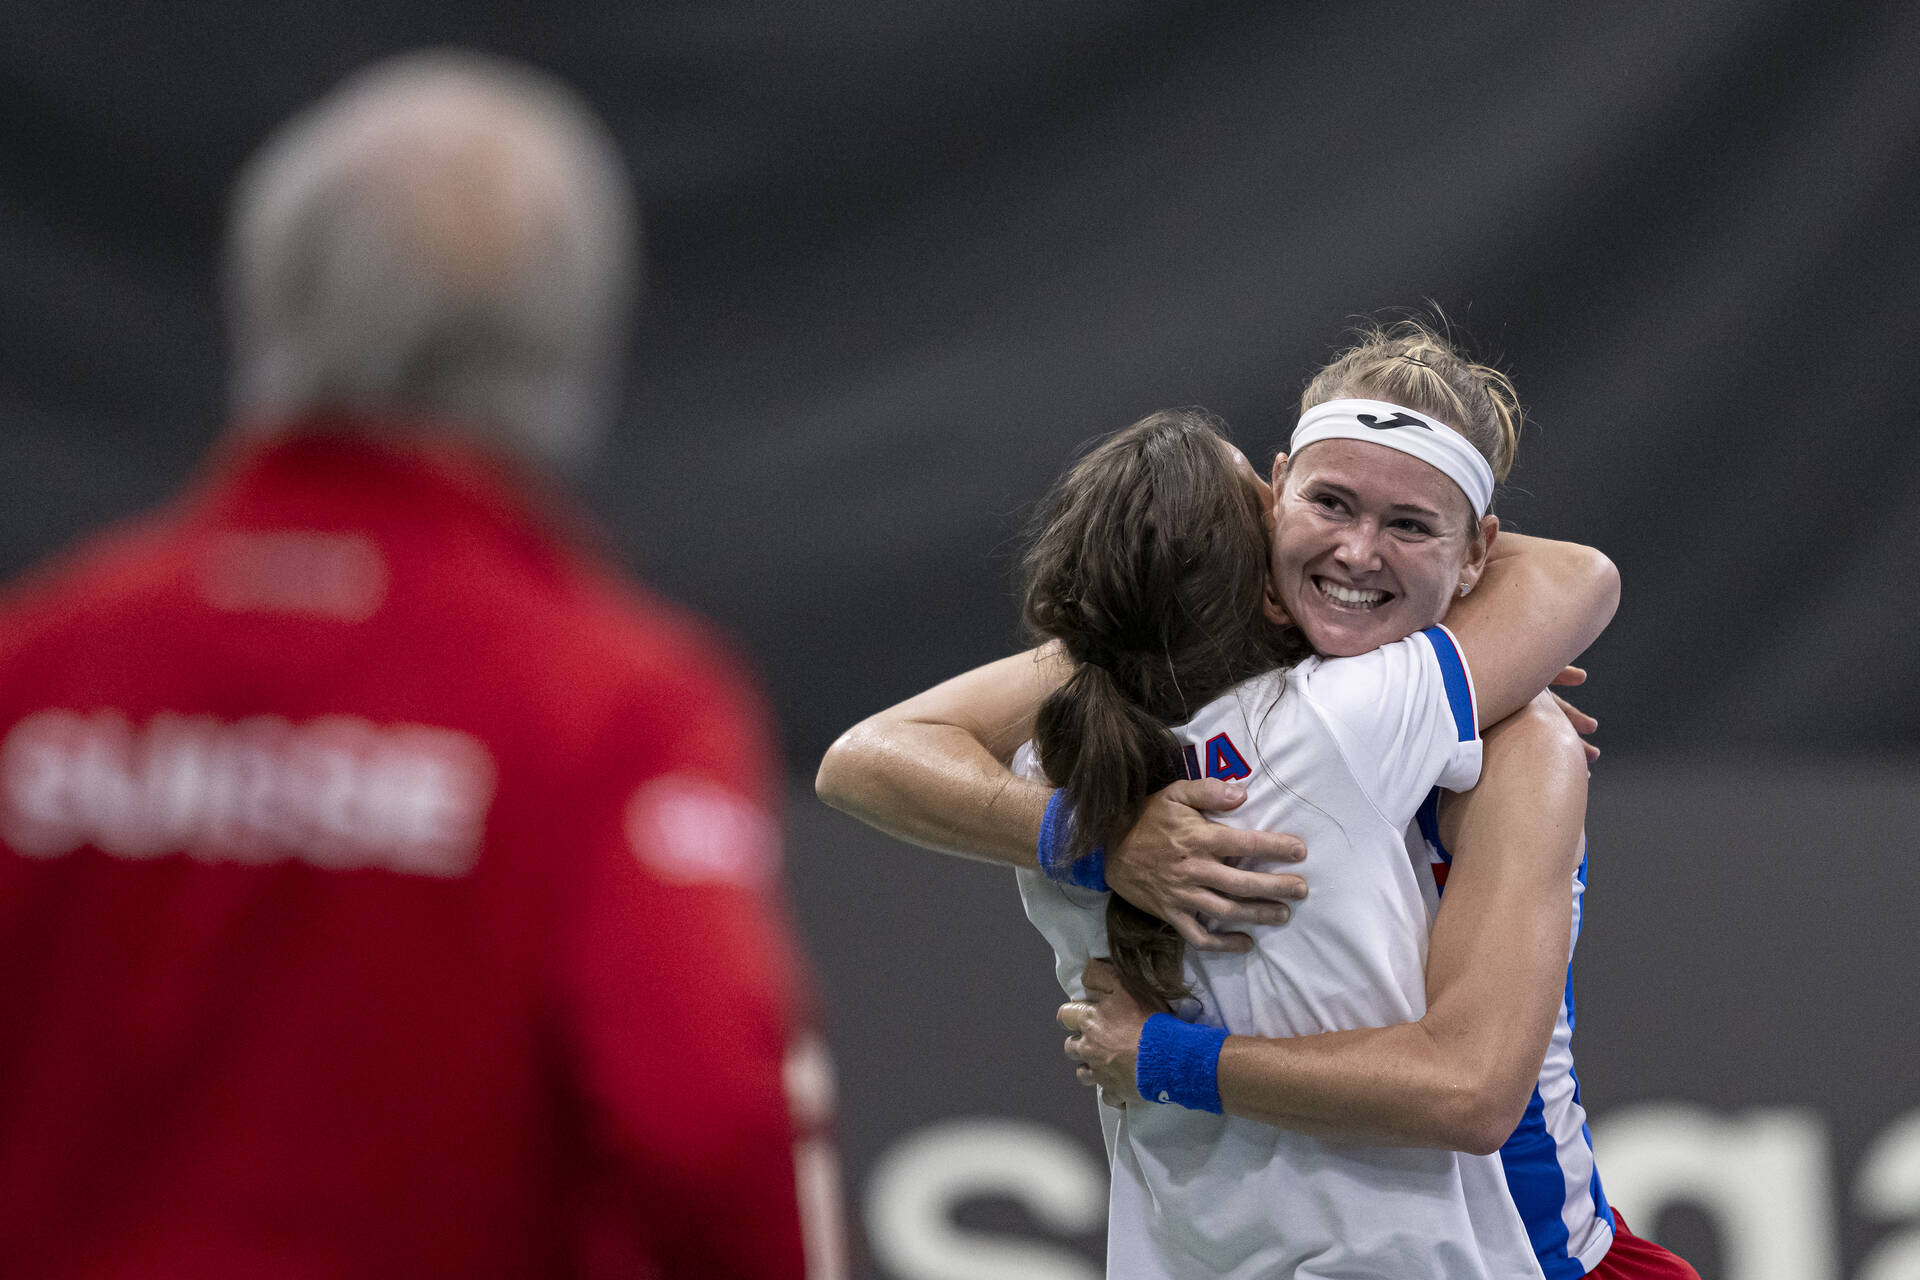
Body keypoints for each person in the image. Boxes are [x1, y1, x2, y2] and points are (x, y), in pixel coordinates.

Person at [0, 52, 840, 1279]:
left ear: (268, 292)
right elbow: (712, 1120)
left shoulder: (38, 662)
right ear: (570, 341)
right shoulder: (612, 706)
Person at [818, 324, 1693, 1277]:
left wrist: (1162, 1050)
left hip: (1530, 1251)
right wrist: (1110, 841)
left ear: (1480, 550)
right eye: (1330, 503)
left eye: (1408, 525)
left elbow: (1473, 1088)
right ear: (1274, 500)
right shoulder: (1187, 697)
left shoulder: (1508, 740)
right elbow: (867, 758)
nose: (1359, 553)